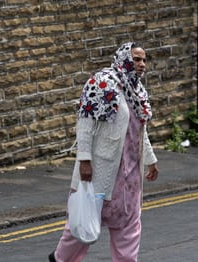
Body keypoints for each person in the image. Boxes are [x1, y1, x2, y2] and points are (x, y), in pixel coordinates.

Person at [49, 42, 160, 262]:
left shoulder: (137, 91)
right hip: (103, 169)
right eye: (136, 59)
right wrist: (84, 160)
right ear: (123, 58)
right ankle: (61, 259)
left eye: (144, 60)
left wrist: (150, 159)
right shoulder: (102, 84)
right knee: (83, 223)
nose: (142, 64)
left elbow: (139, 130)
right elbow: (85, 125)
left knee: (129, 223)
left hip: (130, 174)